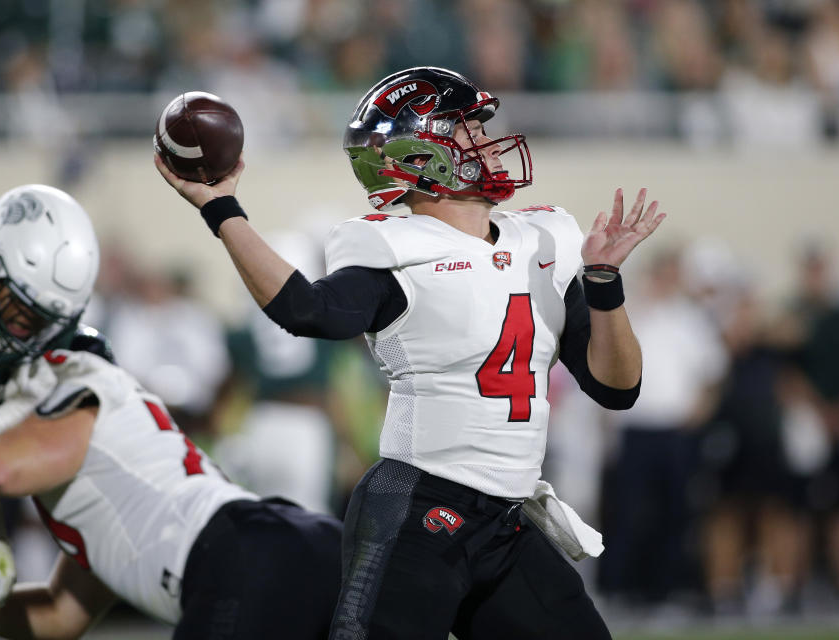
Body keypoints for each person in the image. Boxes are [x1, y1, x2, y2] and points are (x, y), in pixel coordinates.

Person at [156, 66, 665, 639]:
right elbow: (306, 310)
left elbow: (616, 388)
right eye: (466, 127)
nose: (486, 138)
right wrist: (221, 208)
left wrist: (603, 283)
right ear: (420, 155)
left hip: (505, 519)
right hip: (417, 508)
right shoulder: (396, 247)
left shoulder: (541, 241)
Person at [0, 184, 342, 639]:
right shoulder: (111, 490)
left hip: (243, 560)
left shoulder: (74, 379)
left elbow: (3, 472)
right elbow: (61, 616)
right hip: (288, 549)